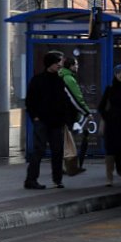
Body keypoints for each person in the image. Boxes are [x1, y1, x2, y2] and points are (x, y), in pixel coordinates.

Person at [25, 51, 70, 189]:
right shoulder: (38, 80)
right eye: (56, 62)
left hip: (56, 122)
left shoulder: (59, 80)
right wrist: (35, 117)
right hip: (42, 121)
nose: (59, 65)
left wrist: (64, 118)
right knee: (39, 150)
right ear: (49, 63)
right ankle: (31, 180)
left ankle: (57, 179)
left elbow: (64, 101)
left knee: (57, 151)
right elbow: (30, 101)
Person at [59, 56, 93, 171]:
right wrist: (87, 112)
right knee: (70, 141)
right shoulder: (69, 79)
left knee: (65, 141)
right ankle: (71, 166)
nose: (77, 67)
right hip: (69, 114)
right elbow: (77, 98)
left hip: (63, 113)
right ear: (71, 66)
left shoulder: (62, 76)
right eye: (76, 64)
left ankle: (66, 166)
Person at [99, 65, 121, 186]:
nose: (120, 75)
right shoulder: (110, 89)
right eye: (118, 72)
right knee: (110, 150)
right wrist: (108, 117)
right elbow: (101, 107)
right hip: (112, 125)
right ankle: (109, 178)